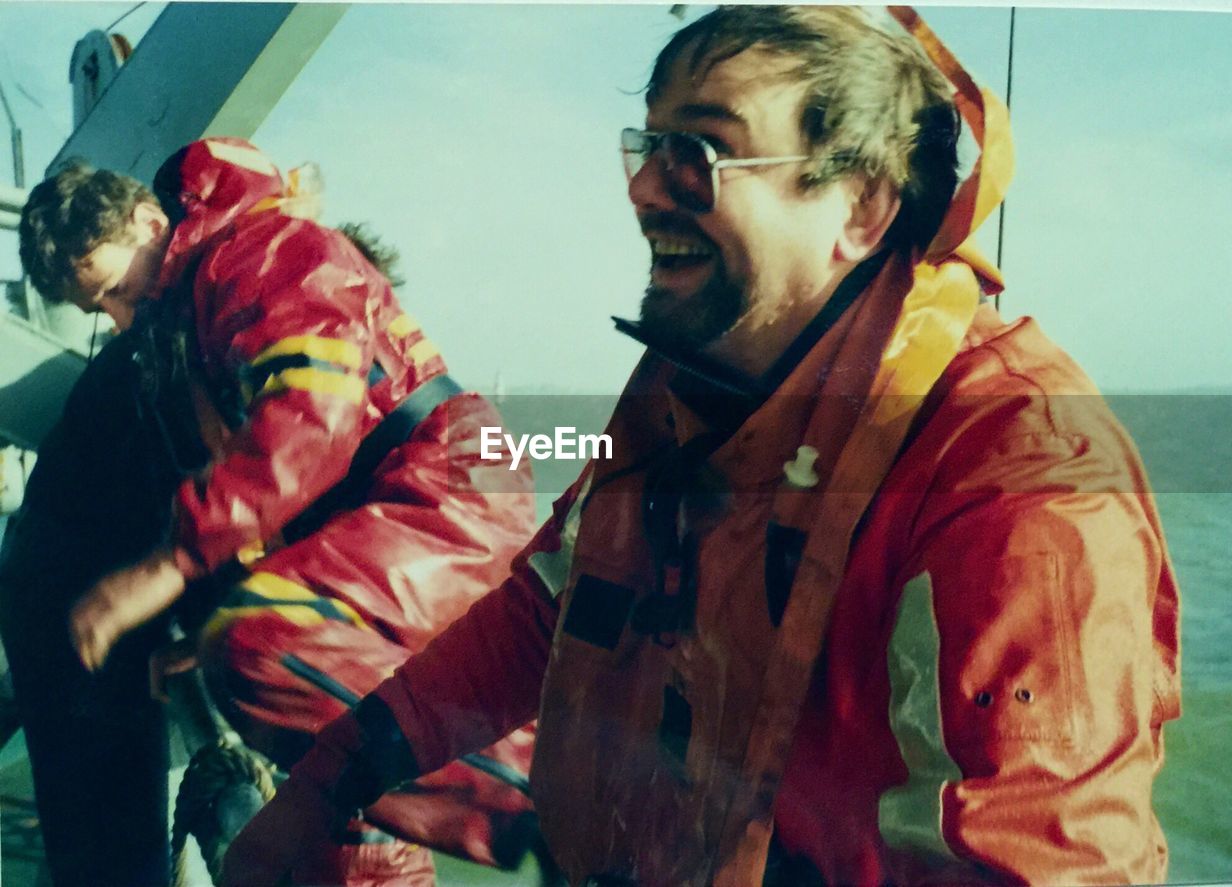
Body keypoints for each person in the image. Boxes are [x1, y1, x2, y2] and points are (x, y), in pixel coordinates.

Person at [224, 6, 1182, 886]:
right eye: (645, 148)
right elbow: (542, 618)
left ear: (860, 205)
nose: (644, 188)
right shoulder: (688, 394)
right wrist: (323, 786)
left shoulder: (1018, 477)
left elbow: (1054, 858)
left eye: (701, 152)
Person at [14, 137, 540, 885]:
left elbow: (309, 415)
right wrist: (203, 622)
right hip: (385, 507)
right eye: (97, 307)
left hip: (438, 486)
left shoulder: (260, 249)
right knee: (330, 816)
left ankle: (573, 805)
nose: (121, 318)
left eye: (114, 288)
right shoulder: (195, 323)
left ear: (146, 222)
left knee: (262, 642)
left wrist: (170, 569)